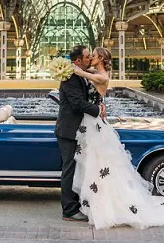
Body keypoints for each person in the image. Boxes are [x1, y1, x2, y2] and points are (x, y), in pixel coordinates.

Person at [70, 47, 164, 230]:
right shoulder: (97, 72)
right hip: (92, 121)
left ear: (100, 59)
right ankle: (94, 198)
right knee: (95, 161)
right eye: (89, 55)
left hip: (94, 122)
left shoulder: (102, 76)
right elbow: (85, 73)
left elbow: (79, 72)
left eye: (93, 55)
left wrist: (65, 67)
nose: (90, 57)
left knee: (98, 162)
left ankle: (105, 203)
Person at [55, 44, 106, 222]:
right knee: (69, 168)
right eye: (86, 57)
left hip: (79, 129)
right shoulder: (69, 77)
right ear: (78, 60)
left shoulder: (80, 73)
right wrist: (97, 110)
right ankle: (68, 210)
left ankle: (77, 204)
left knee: (78, 167)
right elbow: (76, 103)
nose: (89, 59)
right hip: (69, 130)